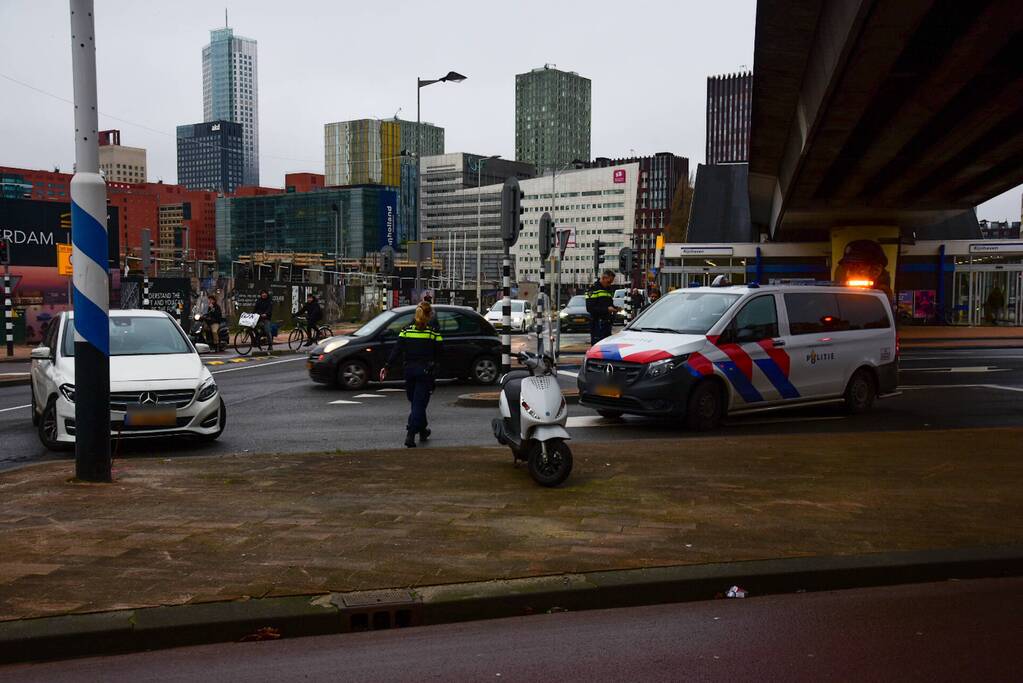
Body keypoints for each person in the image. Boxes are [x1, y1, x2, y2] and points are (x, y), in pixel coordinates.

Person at [380, 303, 443, 448]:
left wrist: (387, 366)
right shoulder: (433, 333)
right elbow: (440, 353)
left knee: (416, 402)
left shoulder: (406, 331)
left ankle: (422, 430)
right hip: (425, 373)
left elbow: (396, 350)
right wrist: (435, 368)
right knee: (419, 404)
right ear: (429, 316)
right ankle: (410, 434)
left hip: (409, 371)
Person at [586, 269, 619, 345]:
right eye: (609, 282)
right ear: (603, 278)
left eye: (611, 282)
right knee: (598, 347)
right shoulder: (593, 289)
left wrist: (615, 308)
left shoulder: (608, 289)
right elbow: (590, 308)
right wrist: (607, 309)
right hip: (597, 324)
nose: (610, 284)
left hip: (606, 323)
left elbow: (608, 304)